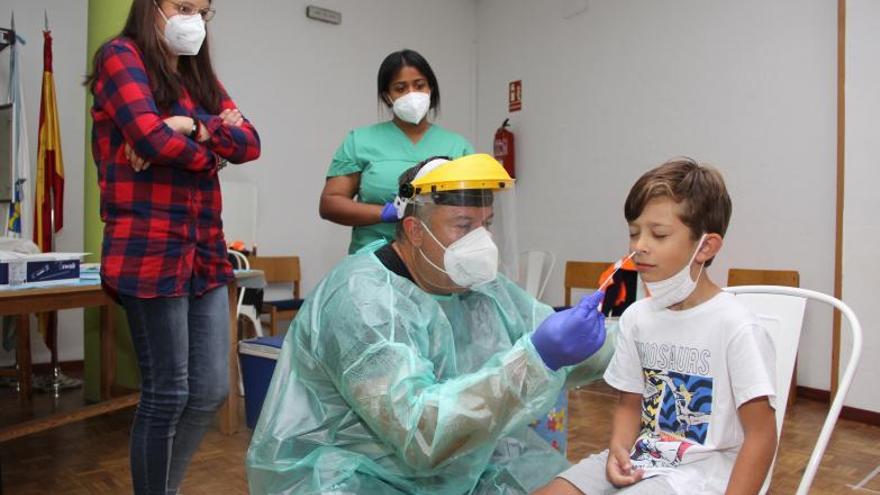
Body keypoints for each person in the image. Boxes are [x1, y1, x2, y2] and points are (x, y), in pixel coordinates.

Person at [248, 154, 615, 494]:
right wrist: (534, 360)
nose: (482, 242)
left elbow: (566, 345)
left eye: (486, 225)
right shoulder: (362, 301)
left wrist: (642, 333)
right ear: (415, 230)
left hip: (458, 467)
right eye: (462, 225)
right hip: (354, 475)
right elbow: (420, 433)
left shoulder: (484, 287)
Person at [85, 0, 260, 493]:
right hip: (149, 249)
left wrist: (191, 126)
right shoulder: (121, 57)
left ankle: (165, 488)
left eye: (203, 12)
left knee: (211, 390)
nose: (194, 20)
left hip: (204, 251)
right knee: (167, 394)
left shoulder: (198, 74)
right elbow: (148, 136)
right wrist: (210, 150)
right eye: (183, 6)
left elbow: (250, 142)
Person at [535, 158, 777, 495]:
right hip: (643, 460)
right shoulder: (636, 318)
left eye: (658, 234)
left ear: (705, 246)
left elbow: (762, 435)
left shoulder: (736, 327)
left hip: (701, 476)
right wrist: (618, 451)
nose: (638, 246)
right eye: (634, 233)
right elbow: (628, 403)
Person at [319, 49, 475, 254]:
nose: (411, 94)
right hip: (375, 262)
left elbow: (475, 210)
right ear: (387, 96)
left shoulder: (457, 146)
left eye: (419, 85)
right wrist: (385, 213)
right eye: (400, 88)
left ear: (431, 89)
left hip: (439, 262)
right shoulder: (360, 141)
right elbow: (331, 203)